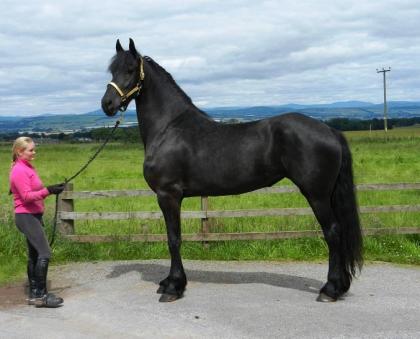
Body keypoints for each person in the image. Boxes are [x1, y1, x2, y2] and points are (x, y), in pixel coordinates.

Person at [9, 136, 65, 308]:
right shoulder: (19, 170)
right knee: (44, 253)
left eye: (34, 149)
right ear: (20, 152)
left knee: (34, 254)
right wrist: (47, 191)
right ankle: (41, 295)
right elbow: (26, 197)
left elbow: (33, 190)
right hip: (26, 217)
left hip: (32, 216)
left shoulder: (26, 167)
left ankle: (35, 293)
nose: (34, 152)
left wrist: (51, 188)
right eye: (31, 150)